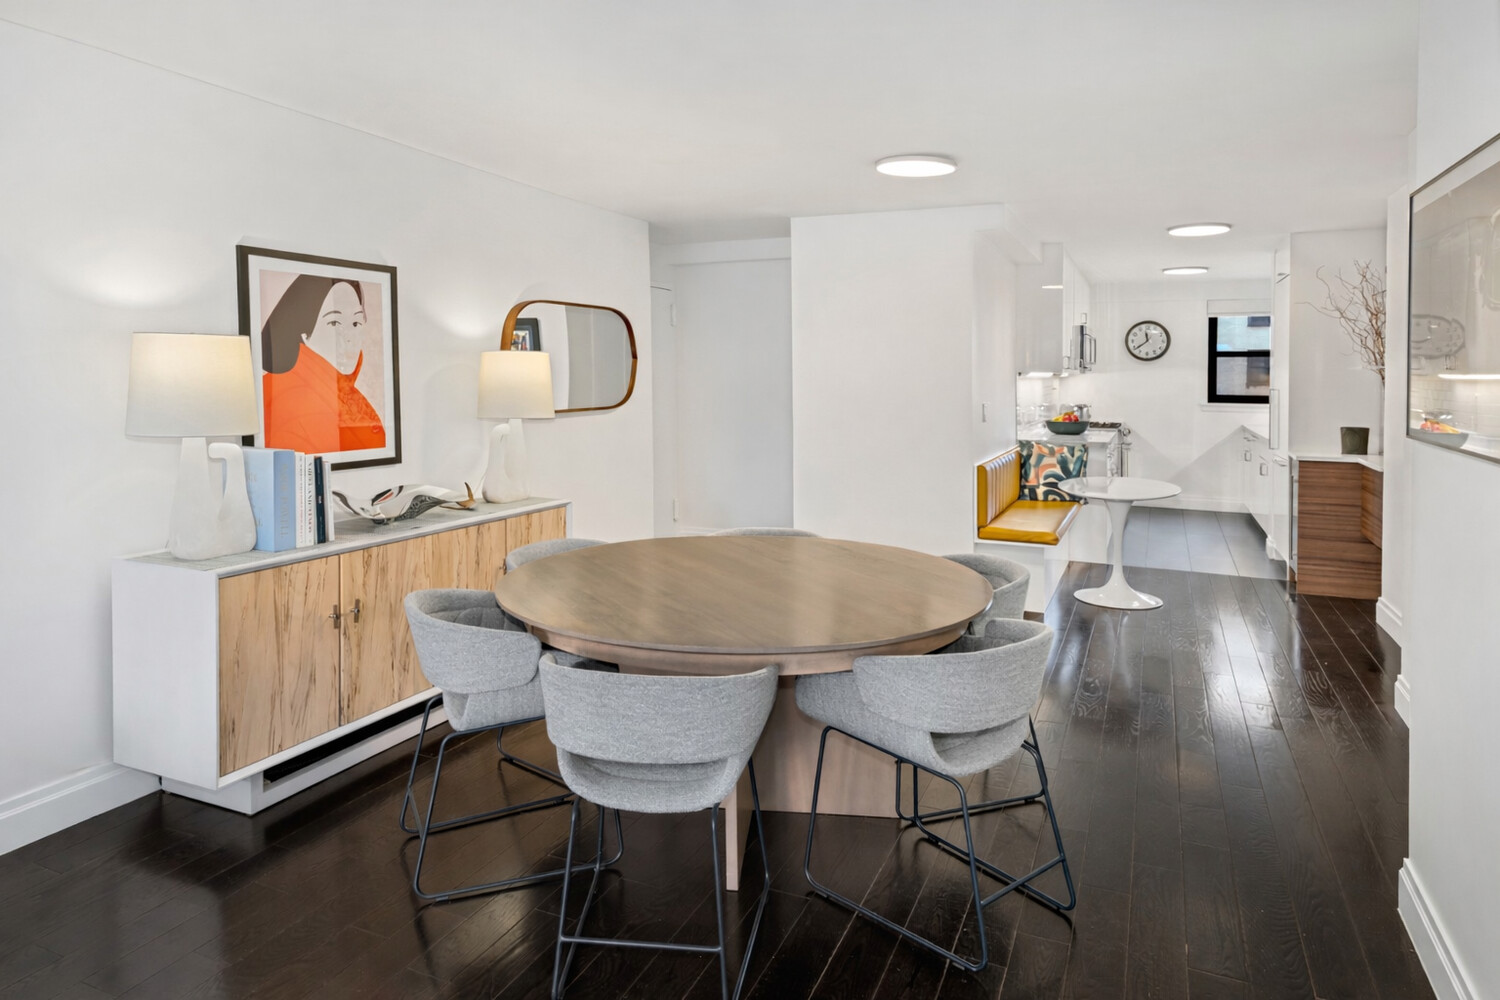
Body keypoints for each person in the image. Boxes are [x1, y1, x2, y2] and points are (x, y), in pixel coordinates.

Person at [260, 274, 386, 454]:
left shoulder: (348, 396)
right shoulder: (284, 395)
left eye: (355, 323)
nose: (349, 337)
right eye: (334, 323)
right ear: (305, 333)